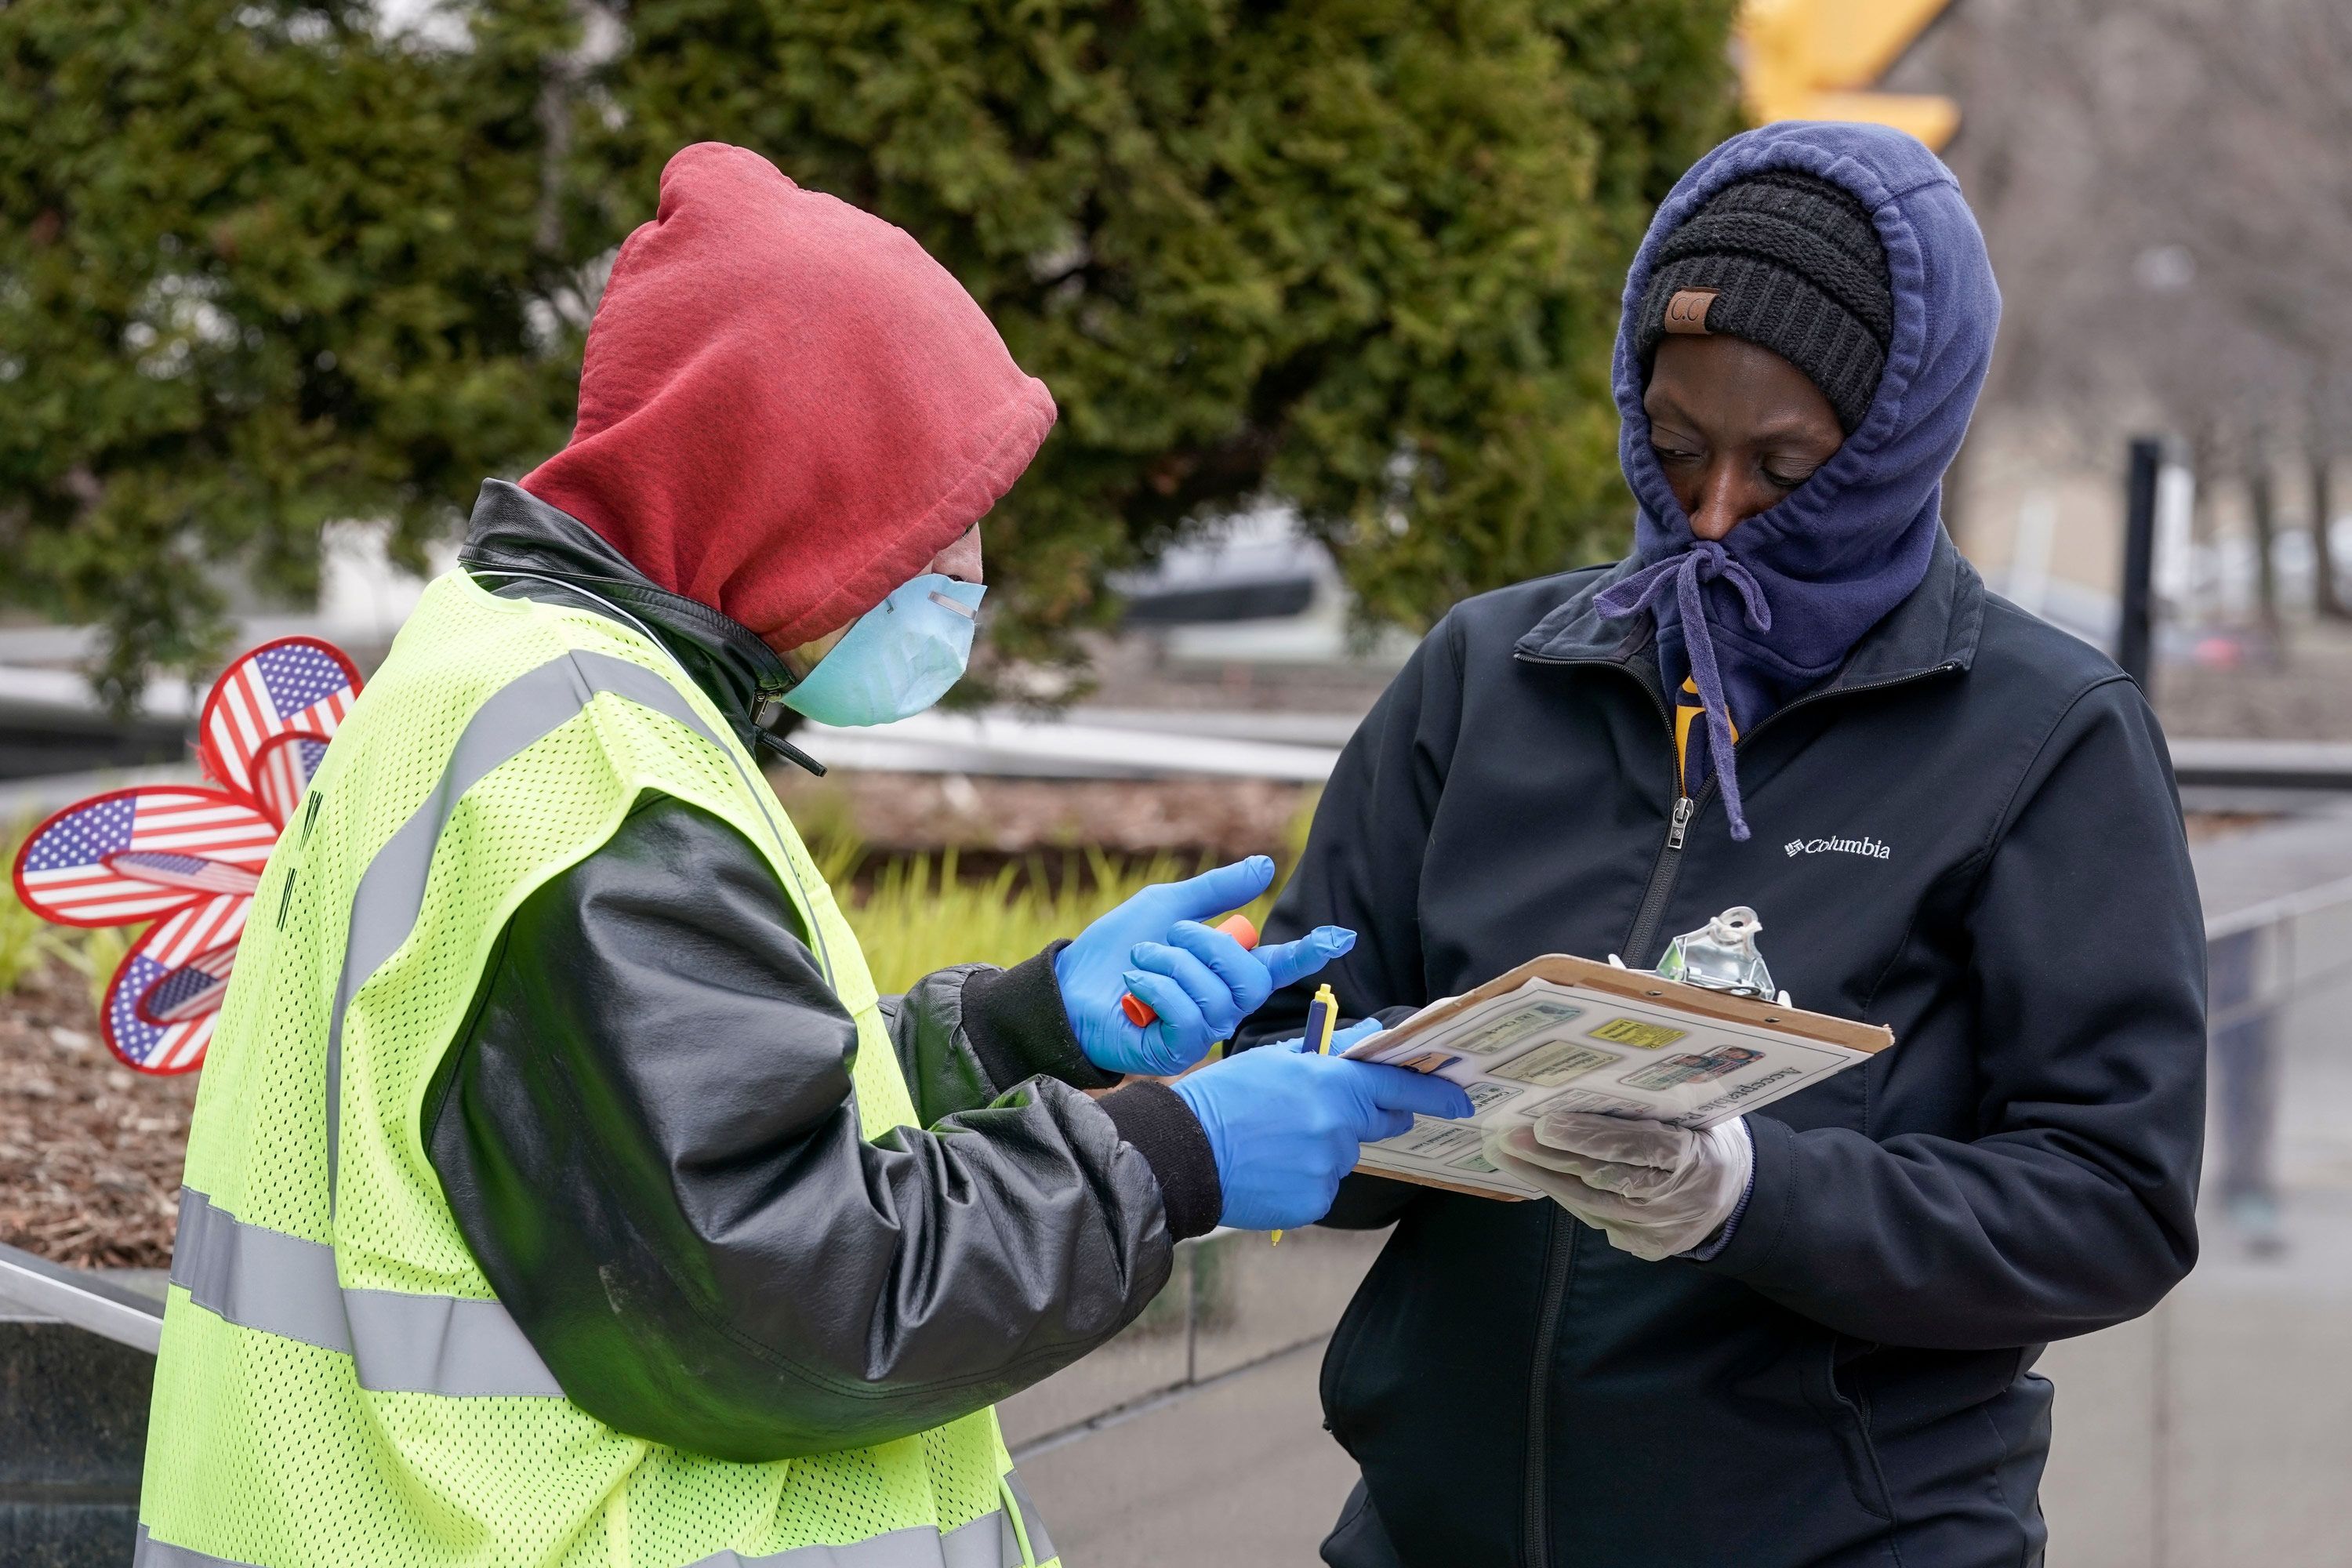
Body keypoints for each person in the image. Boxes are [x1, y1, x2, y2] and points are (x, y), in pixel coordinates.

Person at [134, 142, 1469, 1568]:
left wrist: (1028, 1024)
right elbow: (805, 1297)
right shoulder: (601, 770)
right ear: (794, 480)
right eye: (936, 517)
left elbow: (653, 1132)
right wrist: (1180, 1156)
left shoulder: (513, 666)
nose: (967, 569)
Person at [1241, 122, 2206, 1567]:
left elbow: (2110, 1204)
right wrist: (1318, 1086)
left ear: (1899, 434)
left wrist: (1749, 1195)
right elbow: (1309, 1033)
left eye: (1786, 463)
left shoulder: (2044, 731)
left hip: (1851, 1540)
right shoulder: (1486, 673)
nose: (1712, 514)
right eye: (1676, 449)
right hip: (1437, 1530)